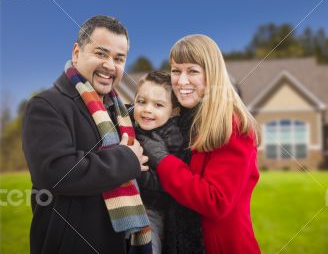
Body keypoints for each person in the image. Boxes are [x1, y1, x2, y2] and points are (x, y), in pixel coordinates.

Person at [22, 15, 150, 254]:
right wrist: (126, 159)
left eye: (119, 58)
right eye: (101, 54)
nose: (110, 66)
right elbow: (55, 172)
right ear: (77, 52)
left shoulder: (121, 113)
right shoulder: (46, 105)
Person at [139, 34, 262, 254]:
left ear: (211, 74)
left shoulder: (233, 126)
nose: (181, 80)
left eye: (192, 71)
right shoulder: (183, 119)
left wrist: (162, 159)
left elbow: (215, 201)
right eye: (176, 71)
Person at [132, 70, 181, 254]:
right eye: (141, 102)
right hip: (129, 204)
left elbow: (166, 183)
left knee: (148, 247)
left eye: (158, 105)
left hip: (153, 208)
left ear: (174, 111)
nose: (147, 109)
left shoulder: (173, 137)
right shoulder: (130, 126)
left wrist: (135, 171)